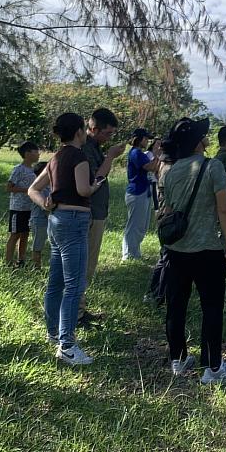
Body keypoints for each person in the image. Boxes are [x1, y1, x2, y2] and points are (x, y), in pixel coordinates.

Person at [161, 117, 226, 384]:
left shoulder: (171, 171)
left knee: (176, 304)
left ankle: (178, 359)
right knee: (211, 307)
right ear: (199, 142)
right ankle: (213, 367)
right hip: (208, 248)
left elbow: (169, 211)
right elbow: (223, 208)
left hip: (176, 249)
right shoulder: (213, 166)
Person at [28, 113, 105, 366]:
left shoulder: (55, 158)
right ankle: (67, 346)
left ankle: (53, 332)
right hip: (75, 221)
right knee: (75, 284)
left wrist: (46, 205)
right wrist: (96, 185)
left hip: (57, 221)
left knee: (56, 281)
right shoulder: (79, 157)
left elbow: (33, 189)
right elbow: (83, 190)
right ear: (80, 132)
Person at [80, 108, 126, 326]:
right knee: (85, 264)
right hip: (90, 213)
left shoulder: (95, 147)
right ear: (93, 128)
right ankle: (76, 312)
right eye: (107, 133)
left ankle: (80, 307)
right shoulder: (86, 150)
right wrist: (110, 156)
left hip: (98, 212)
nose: (109, 138)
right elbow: (96, 178)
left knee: (89, 264)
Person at [144, 139, 176, 306]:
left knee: (165, 256)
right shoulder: (169, 169)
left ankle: (157, 292)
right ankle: (156, 293)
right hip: (167, 217)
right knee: (166, 257)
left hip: (163, 215)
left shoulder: (163, 166)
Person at [122, 128, 161, 261]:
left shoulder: (139, 153)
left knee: (141, 225)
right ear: (139, 139)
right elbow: (150, 167)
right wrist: (155, 153)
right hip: (136, 192)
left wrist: (155, 156)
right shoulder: (135, 153)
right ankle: (128, 255)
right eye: (145, 138)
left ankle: (134, 252)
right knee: (134, 225)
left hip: (143, 191)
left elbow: (154, 167)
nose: (147, 141)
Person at [5, 141, 40, 267]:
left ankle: (21, 260)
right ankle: (8, 261)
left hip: (30, 208)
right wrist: (27, 191)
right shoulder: (18, 169)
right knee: (15, 235)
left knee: (25, 234)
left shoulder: (34, 170)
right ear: (27, 154)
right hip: (18, 208)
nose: (38, 154)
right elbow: (9, 187)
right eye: (36, 152)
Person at [29, 161, 50, 269]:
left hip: (47, 220)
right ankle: (36, 267)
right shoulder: (39, 188)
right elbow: (45, 207)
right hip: (39, 220)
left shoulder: (49, 186)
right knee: (38, 245)